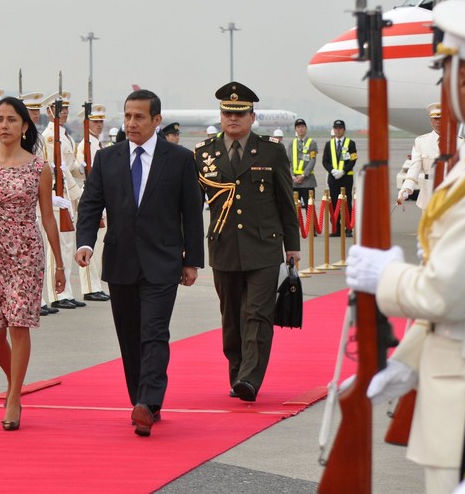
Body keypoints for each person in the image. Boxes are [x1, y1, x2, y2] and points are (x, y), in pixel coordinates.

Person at [346, 0, 465, 494]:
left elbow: (447, 293)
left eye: (443, 70)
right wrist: (410, 359)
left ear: (463, 81)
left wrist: (384, 275)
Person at [76, 89, 204, 437]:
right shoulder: (108, 159)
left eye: (139, 117)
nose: (131, 123)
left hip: (162, 263)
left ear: (156, 121)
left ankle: (147, 401)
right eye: (128, 116)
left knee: (154, 333)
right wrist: (85, 242)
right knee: (130, 337)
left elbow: (191, 212)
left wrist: (192, 260)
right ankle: (142, 401)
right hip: (120, 261)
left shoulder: (178, 159)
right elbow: (90, 204)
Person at [0, 96, 65, 430]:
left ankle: (14, 397)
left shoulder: (39, 167)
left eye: (11, 120)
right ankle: (14, 382)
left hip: (25, 253)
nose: (4, 126)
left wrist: (60, 264)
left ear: (24, 126)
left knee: (19, 325)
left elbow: (48, 217)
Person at [194, 82, 300, 403]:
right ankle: (237, 371)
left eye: (240, 114)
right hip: (224, 248)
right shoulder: (204, 153)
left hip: (265, 247)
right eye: (228, 113)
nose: (233, 119)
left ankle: (250, 379)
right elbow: (190, 204)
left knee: (257, 314)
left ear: (252, 117)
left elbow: (285, 202)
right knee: (231, 318)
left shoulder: (271, 151)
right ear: (221, 116)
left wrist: (292, 246)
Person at [39, 91, 86, 310]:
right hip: (57, 194)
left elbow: (70, 165)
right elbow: (50, 169)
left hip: (67, 192)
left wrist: (81, 170)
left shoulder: (64, 135)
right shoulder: (50, 136)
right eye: (60, 109)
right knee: (55, 245)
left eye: (66, 109)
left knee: (67, 245)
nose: (64, 113)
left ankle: (65, 291)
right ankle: (56, 293)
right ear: (49, 112)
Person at [21, 91, 58, 316]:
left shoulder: (40, 137)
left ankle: (39, 297)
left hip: (38, 193)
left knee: (36, 252)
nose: (34, 114)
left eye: (36, 110)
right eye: (30, 110)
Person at [74, 104, 111, 302]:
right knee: (89, 247)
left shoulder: (96, 143)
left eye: (100, 121)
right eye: (95, 121)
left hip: (101, 198)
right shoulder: (85, 145)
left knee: (97, 250)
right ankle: (89, 287)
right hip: (90, 195)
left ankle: (94, 285)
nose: (99, 125)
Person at [397, 103, 463, 210]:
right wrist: (406, 189)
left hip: (451, 192)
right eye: (435, 119)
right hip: (428, 195)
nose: (438, 122)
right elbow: (414, 169)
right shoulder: (421, 142)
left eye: (441, 118)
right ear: (430, 121)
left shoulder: (459, 142)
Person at [322, 119, 357, 237]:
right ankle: (336, 228)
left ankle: (348, 228)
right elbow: (325, 161)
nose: (337, 130)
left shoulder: (350, 143)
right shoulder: (329, 144)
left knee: (347, 203)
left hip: (346, 178)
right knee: (334, 203)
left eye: (340, 128)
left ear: (344, 130)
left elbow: (353, 159)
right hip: (333, 178)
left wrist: (343, 171)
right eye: (335, 128)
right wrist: (332, 171)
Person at [290, 118, 317, 207]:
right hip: (294, 182)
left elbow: (312, 160)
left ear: (306, 128)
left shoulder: (312, 143)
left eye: (302, 126)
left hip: (307, 181)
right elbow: (288, 161)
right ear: (295, 129)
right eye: (298, 127)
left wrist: (303, 175)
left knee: (309, 209)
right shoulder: (291, 143)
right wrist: (292, 176)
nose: (300, 129)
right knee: (293, 210)